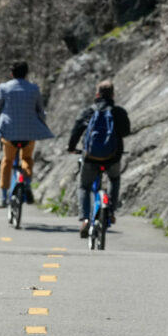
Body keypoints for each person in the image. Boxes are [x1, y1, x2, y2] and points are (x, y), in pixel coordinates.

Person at [67, 80, 131, 238]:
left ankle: (85, 219)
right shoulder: (119, 112)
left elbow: (76, 131)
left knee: (84, 186)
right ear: (113, 95)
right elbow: (125, 131)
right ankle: (110, 211)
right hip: (112, 158)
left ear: (97, 94)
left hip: (90, 158)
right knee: (114, 180)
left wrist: (71, 147)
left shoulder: (88, 111)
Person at [0, 60, 54, 208]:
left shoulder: (4, 88)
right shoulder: (34, 88)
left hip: (9, 132)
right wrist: (40, 123)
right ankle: (27, 183)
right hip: (29, 132)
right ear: (26, 73)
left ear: (11, 74)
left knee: (7, 160)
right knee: (26, 158)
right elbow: (41, 112)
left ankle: (4, 196)